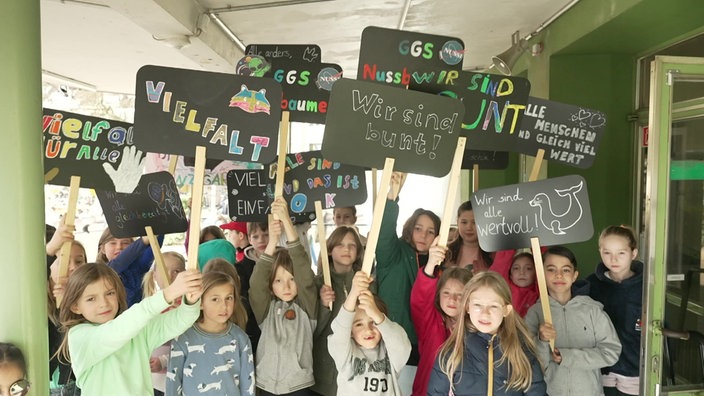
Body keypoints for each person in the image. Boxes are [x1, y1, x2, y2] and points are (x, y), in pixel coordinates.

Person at [57, 263, 203, 395]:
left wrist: (191, 300)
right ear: (75, 306)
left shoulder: (136, 328)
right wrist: (169, 293)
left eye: (110, 293)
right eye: (91, 299)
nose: (103, 303)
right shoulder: (79, 335)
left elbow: (181, 319)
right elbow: (116, 331)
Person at [427, 271, 547, 396]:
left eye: (493, 306)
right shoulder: (452, 352)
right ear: (467, 307)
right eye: (478, 305)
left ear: (506, 310)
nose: (485, 313)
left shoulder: (522, 352)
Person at [524, 246, 621, 396]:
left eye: (566, 270)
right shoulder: (535, 314)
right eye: (551, 269)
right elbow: (527, 362)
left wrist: (568, 357)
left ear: (575, 275)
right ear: (541, 275)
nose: (559, 275)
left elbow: (611, 352)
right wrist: (542, 340)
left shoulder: (592, 311)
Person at [375, 172, 440, 392]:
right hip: (387, 340)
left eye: (431, 231)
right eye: (419, 228)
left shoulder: (439, 266)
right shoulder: (393, 252)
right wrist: (392, 198)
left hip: (419, 346)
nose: (423, 235)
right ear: (410, 228)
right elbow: (382, 232)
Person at [249, 197, 317, 396]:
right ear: (270, 286)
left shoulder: (306, 308)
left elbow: (304, 271)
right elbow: (256, 284)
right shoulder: (266, 310)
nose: (286, 286)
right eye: (278, 281)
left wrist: (287, 222)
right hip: (266, 384)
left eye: (291, 279)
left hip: (298, 385)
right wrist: (271, 244)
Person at [166, 271, 254, 396]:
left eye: (228, 298)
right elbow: (172, 384)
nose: (224, 306)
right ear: (200, 302)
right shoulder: (183, 339)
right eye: (215, 299)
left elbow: (248, 385)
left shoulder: (241, 339)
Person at [328, 271, 411, 395]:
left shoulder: (390, 351)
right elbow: (339, 331)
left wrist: (377, 315)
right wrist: (353, 294)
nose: (368, 330)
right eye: (359, 324)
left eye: (373, 322)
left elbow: (403, 346)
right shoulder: (345, 354)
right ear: (350, 331)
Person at [586, 225, 644, 396]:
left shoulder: (647, 286)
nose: (614, 259)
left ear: (633, 253)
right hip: (602, 366)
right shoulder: (591, 284)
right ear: (600, 252)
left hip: (635, 367)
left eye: (621, 253)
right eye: (607, 253)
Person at [410, 240, 472, 396]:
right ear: (438, 295)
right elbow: (421, 299)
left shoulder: (477, 329)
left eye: (460, 294)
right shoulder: (431, 323)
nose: (452, 300)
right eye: (446, 293)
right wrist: (431, 264)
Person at [312, 226, 366, 396]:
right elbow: (312, 330)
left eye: (352, 245)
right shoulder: (319, 284)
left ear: (358, 252)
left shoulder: (366, 282)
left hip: (356, 371)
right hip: (325, 373)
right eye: (340, 244)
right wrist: (322, 305)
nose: (346, 249)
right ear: (329, 250)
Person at [141, 251, 186, 396]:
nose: (170, 275)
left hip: (180, 377)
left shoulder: (188, 306)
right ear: (154, 275)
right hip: (154, 381)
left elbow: (186, 343)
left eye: (176, 271)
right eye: (164, 270)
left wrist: (164, 361)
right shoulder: (147, 306)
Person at [47, 235, 87, 396]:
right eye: (62, 261)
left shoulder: (87, 296)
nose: (72, 267)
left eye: (79, 261)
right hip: (52, 383)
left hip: (77, 380)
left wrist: (70, 302)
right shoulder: (39, 298)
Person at [96, 228, 162, 307]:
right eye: (113, 243)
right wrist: (143, 241)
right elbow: (119, 262)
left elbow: (154, 246)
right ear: (102, 249)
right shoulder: (101, 271)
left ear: (133, 246)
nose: (119, 247)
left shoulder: (140, 266)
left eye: (125, 243)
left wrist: (158, 228)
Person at [235, 221, 269, 353]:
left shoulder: (284, 261)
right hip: (254, 331)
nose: (261, 240)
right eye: (255, 236)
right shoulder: (240, 268)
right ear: (249, 238)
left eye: (266, 234)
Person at [445, 200, 493, 272]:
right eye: (464, 222)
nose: (469, 227)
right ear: (457, 222)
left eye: (474, 222)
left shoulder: (493, 253)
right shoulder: (446, 251)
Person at [490, 251, 539, 317]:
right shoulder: (505, 288)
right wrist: (513, 242)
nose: (522, 272)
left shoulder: (539, 290)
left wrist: (532, 241)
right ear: (510, 274)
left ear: (536, 273)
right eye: (516, 268)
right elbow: (501, 263)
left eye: (528, 268)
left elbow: (542, 258)